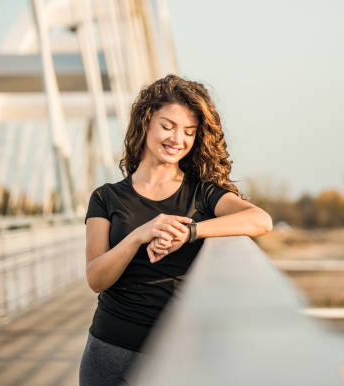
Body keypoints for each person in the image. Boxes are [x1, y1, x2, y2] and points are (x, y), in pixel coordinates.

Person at [79, 74, 272, 385]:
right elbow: (96, 278)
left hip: (176, 358)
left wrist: (191, 231)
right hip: (109, 353)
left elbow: (261, 221)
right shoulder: (106, 197)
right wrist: (139, 235)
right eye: (167, 126)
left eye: (189, 132)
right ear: (145, 122)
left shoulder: (202, 194)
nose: (177, 139)